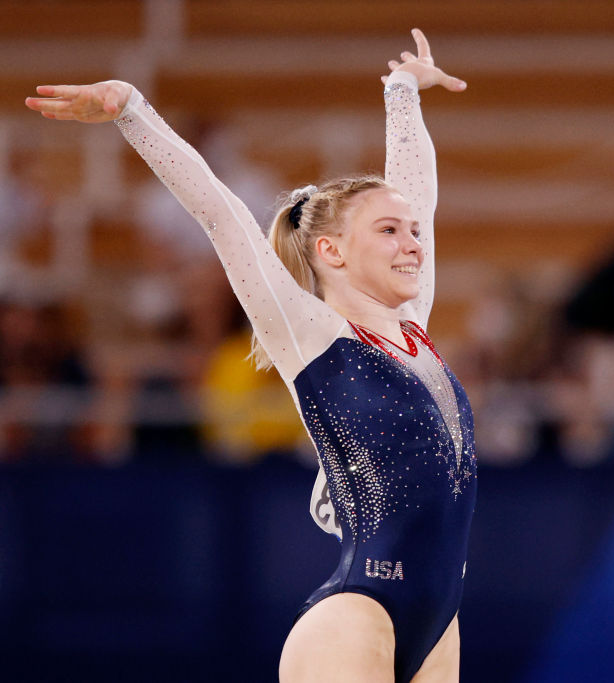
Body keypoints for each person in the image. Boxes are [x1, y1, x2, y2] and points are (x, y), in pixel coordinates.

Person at [26, 29, 474, 683]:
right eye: (388, 230)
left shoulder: (415, 327)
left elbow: (419, 193)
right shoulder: (311, 333)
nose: (413, 242)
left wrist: (402, 93)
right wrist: (130, 111)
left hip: (440, 620)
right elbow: (219, 214)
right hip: (357, 617)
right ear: (331, 252)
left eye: (412, 233)